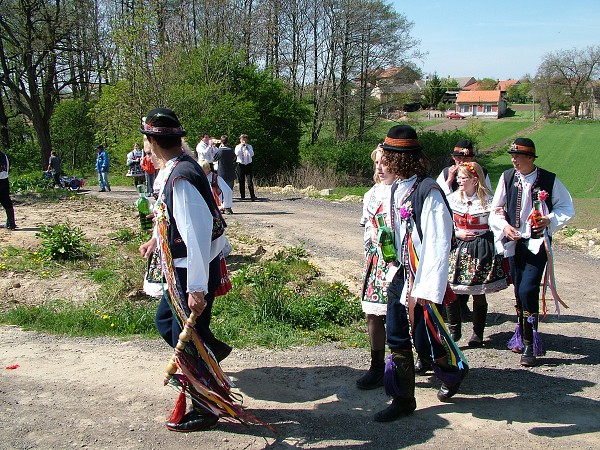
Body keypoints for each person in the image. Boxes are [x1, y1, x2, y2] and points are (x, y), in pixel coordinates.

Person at [138, 108, 232, 432]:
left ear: (152, 141)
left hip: (190, 271)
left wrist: (195, 289)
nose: (145, 147)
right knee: (169, 323)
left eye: (146, 141)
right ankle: (210, 351)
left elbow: (195, 234)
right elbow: (171, 218)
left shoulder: (181, 179)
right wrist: (155, 240)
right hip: (183, 269)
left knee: (187, 339)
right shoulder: (178, 168)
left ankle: (205, 407)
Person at [374, 125, 467, 423]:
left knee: (428, 339)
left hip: (422, 277)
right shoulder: (395, 188)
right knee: (397, 334)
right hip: (400, 273)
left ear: (401, 158)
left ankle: (452, 372)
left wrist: (426, 290)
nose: (383, 161)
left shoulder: (429, 192)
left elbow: (439, 243)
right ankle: (403, 399)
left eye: (387, 156)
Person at [489, 137, 574, 367]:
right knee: (519, 291)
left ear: (530, 158)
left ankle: (529, 342)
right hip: (514, 244)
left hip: (537, 244)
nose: (513, 159)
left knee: (528, 289)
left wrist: (549, 220)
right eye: (512, 156)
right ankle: (521, 332)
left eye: (518, 156)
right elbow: (495, 209)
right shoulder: (507, 178)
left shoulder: (548, 179)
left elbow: (567, 207)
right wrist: (504, 226)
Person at [446, 161, 508, 347]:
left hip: (481, 249)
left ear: (475, 180)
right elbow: (446, 222)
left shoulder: (489, 201)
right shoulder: (453, 198)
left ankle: (477, 333)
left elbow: (497, 223)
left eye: (463, 178)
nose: (459, 181)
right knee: (452, 288)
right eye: (458, 177)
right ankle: (454, 330)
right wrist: (457, 233)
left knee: (478, 292)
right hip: (457, 247)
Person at [356, 145, 398, 390]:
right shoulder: (371, 193)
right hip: (377, 260)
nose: (380, 168)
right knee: (373, 314)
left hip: (400, 261)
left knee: (403, 315)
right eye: (377, 163)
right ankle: (377, 366)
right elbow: (368, 227)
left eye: (385, 163)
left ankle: (411, 362)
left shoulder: (404, 192)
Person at [436, 139, 492, 321]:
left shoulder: (481, 173)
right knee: (452, 278)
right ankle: (454, 322)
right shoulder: (446, 173)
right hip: (457, 233)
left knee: (474, 281)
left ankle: (466, 310)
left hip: (477, 238)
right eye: (457, 157)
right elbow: (439, 200)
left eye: (464, 157)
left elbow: (487, 200)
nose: (460, 161)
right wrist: (450, 180)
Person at [235, 134, 256, 201]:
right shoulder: (238, 146)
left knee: (250, 181)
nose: (243, 140)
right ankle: (242, 196)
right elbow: (237, 153)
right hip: (241, 165)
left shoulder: (249, 146)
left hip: (248, 164)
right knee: (241, 181)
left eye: (245, 138)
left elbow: (252, 154)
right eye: (242, 138)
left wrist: (247, 148)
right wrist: (241, 147)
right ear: (240, 139)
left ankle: (252, 196)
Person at [0, 150, 17, 230]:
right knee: (6, 201)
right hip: (4, 180)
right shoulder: (4, 155)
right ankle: (12, 224)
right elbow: (7, 167)